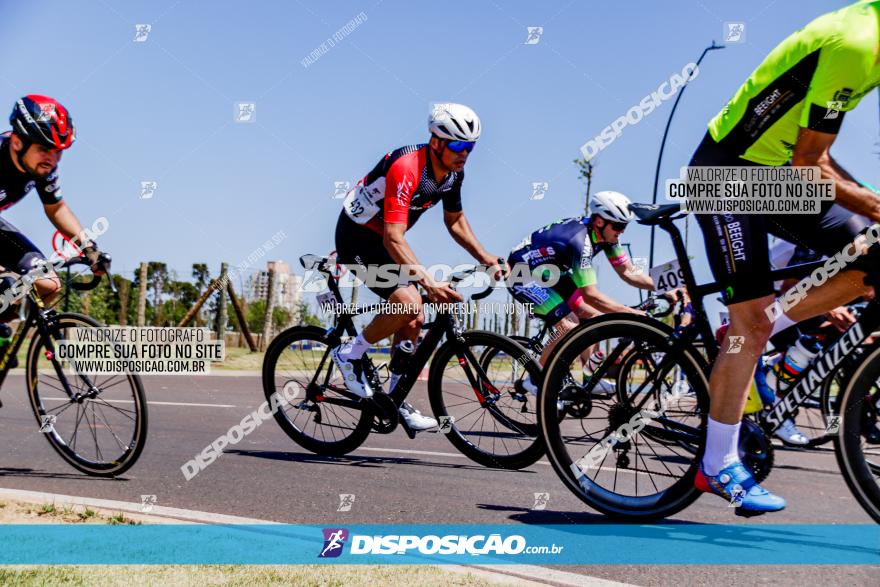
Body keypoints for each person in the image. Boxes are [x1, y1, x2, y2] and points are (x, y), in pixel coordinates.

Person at [691, 1, 880, 515]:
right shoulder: (860, 45)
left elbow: (812, 151)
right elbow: (806, 164)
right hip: (726, 176)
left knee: (873, 257)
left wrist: (867, 199)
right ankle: (716, 463)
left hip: (775, 177)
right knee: (747, 322)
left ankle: (754, 340)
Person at [332, 103, 506, 432]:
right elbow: (393, 238)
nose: (464, 154)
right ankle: (349, 354)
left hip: (384, 242)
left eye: (470, 147)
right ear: (436, 141)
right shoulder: (406, 166)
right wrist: (428, 283)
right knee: (410, 301)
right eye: (457, 146)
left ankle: (396, 400)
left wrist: (485, 257)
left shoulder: (454, 172)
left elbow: (454, 221)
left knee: (415, 318)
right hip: (357, 239)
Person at [506, 191, 657, 395]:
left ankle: (591, 379)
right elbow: (590, 295)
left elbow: (629, 272)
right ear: (599, 221)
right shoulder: (580, 241)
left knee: (594, 318)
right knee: (568, 325)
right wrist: (629, 312)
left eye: (625, 226)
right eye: (619, 226)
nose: (621, 232)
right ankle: (536, 378)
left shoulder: (607, 236)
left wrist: (663, 285)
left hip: (550, 272)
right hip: (521, 274)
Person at [0, 95, 108, 363]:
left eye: (59, 151)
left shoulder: (43, 167)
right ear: (17, 142)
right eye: (45, 149)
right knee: (7, 284)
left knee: (48, 284)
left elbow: (56, 208)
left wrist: (88, 246)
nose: (52, 159)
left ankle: (6, 338)